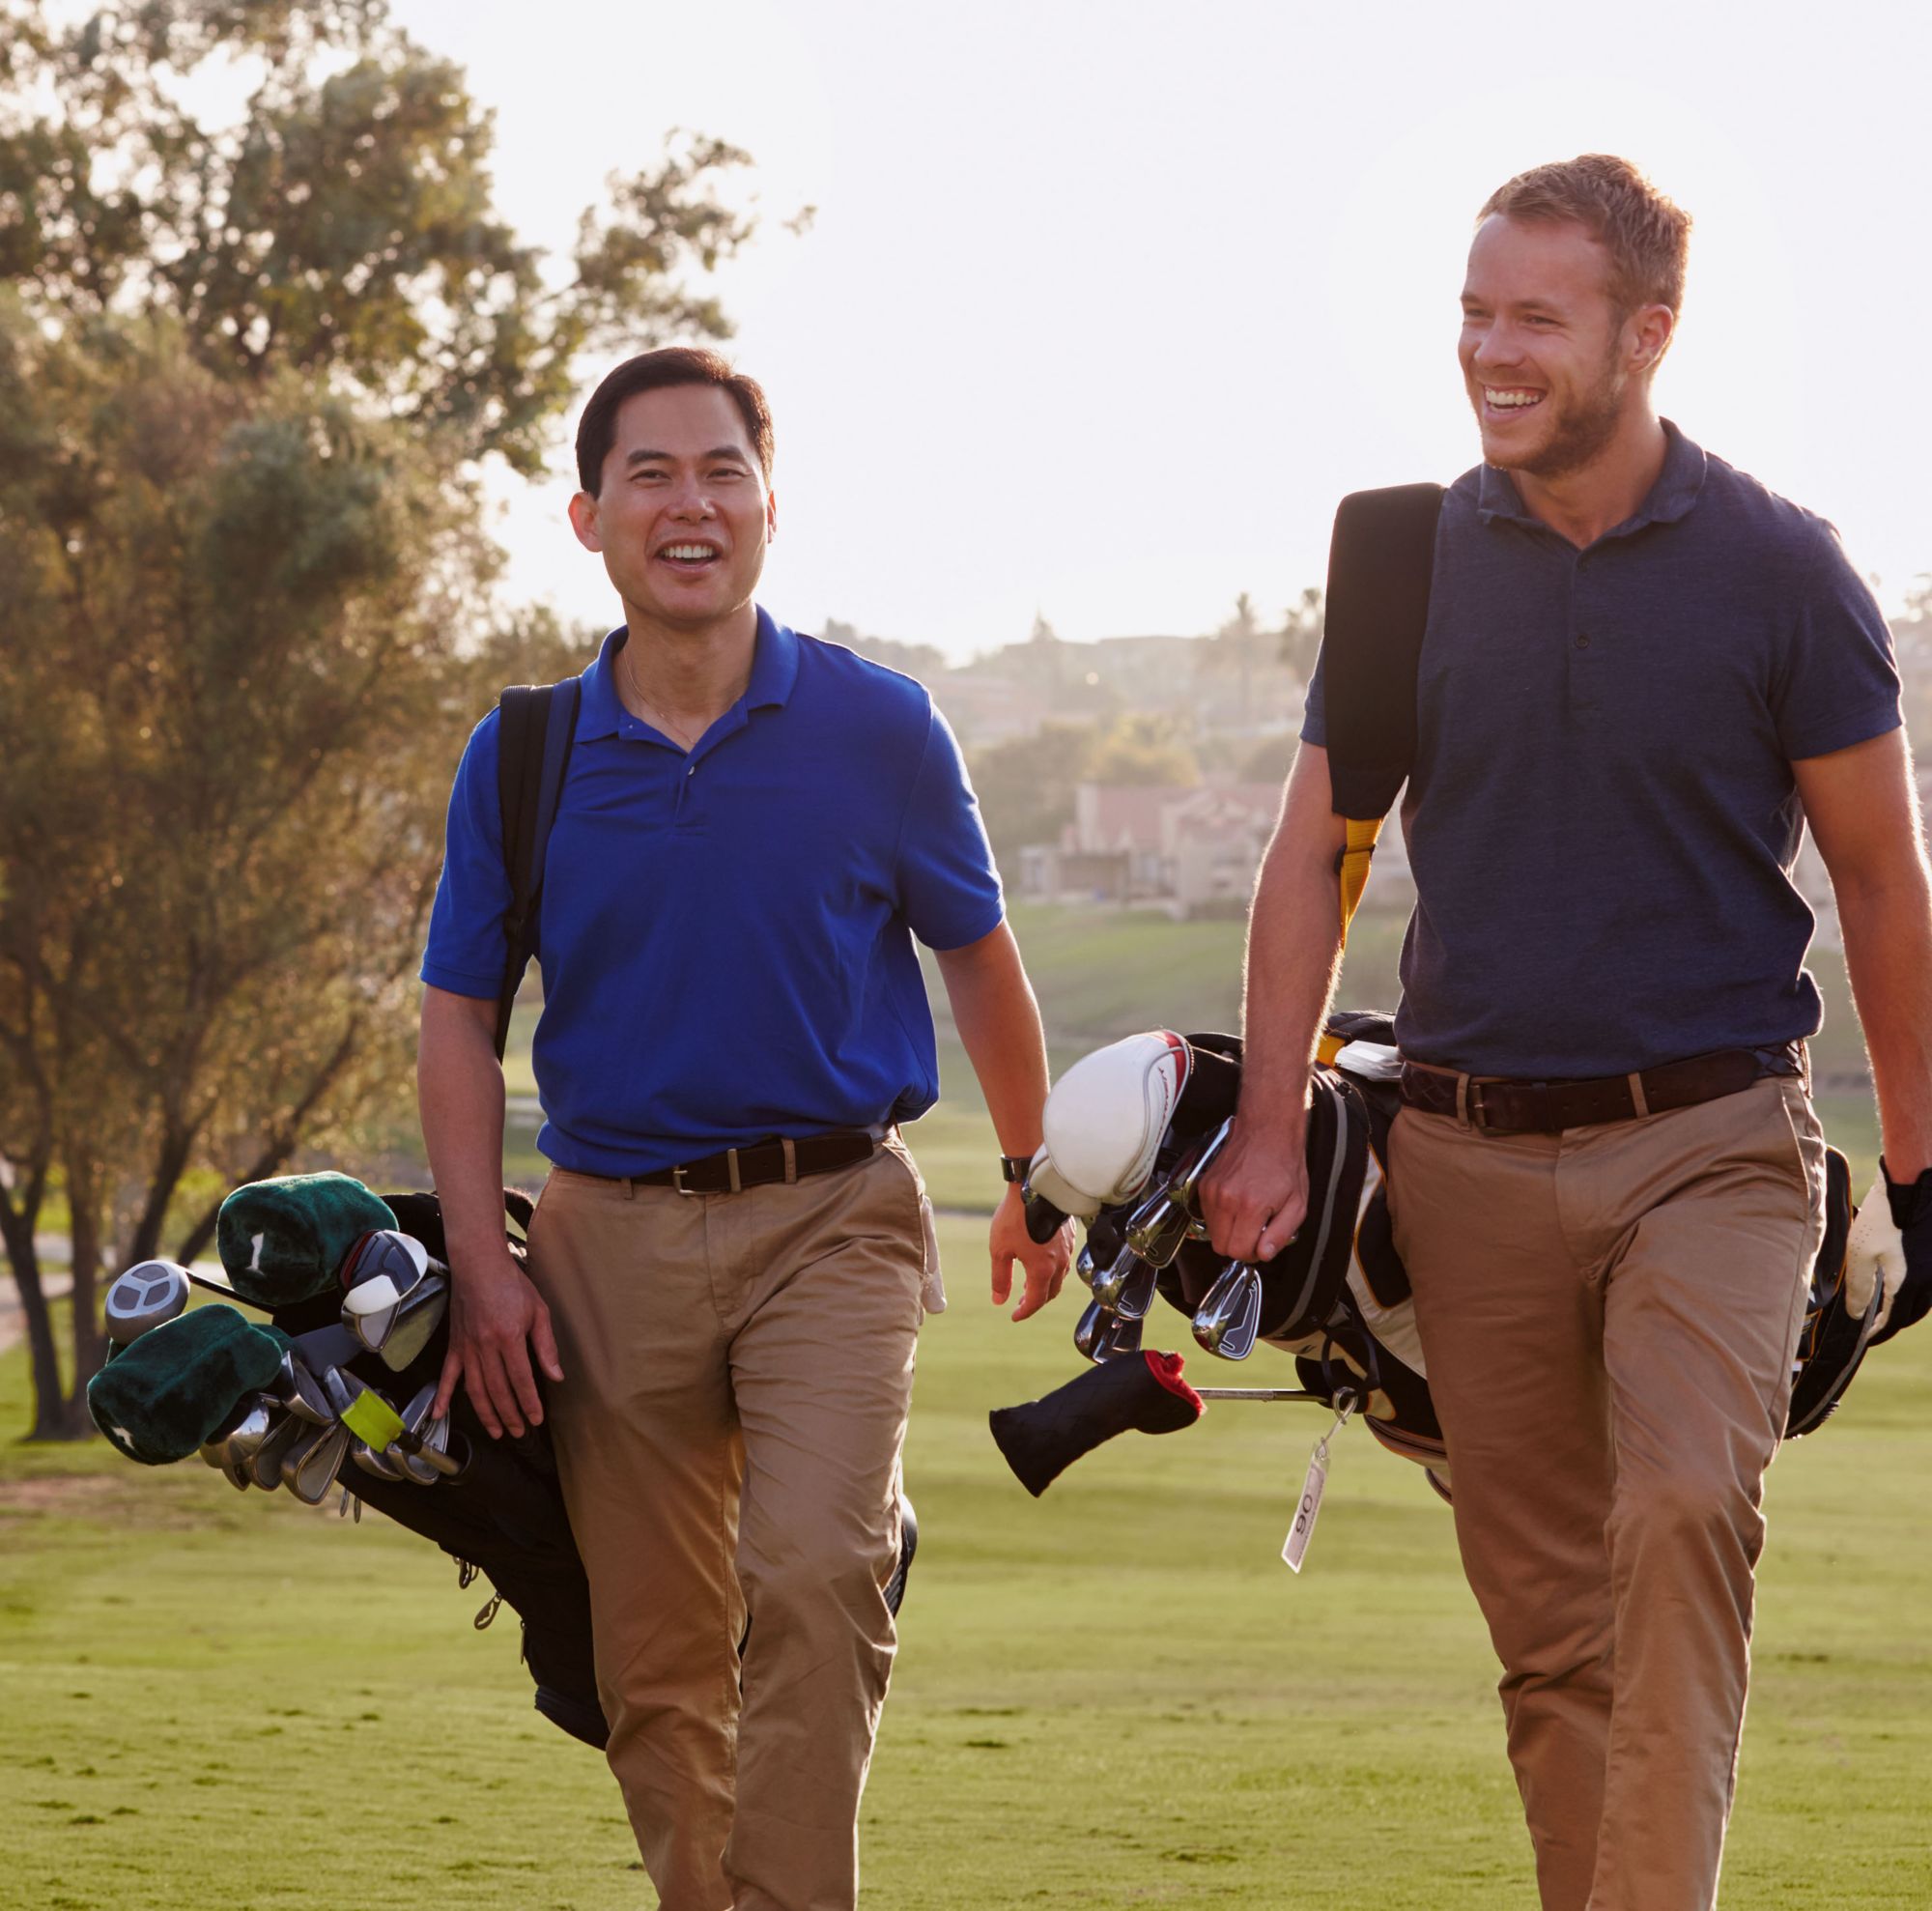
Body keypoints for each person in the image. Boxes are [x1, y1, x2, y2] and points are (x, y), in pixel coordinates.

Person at [1201, 156, 1932, 1910]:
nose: (1492, 351)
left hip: (1716, 1146)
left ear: (1647, 334)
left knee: (1683, 1514)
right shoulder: (1402, 562)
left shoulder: (1783, 570)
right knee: (1548, 1623)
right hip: (1462, 1158)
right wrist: (1274, 1120)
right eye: (1474, 312)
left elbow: (1884, 885)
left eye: (1537, 316)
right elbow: (1313, 855)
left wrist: (1918, 1167)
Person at [415, 346, 1072, 1911]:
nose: (688, 503)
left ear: (771, 507)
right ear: (589, 518)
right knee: (650, 1658)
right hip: (600, 1241)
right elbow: (457, 1016)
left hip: (832, 1217)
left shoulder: (884, 729)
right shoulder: (519, 758)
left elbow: (982, 965)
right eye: (651, 474)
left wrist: (1038, 1184)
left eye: (721, 472)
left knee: (819, 1571)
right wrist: (481, 1263)